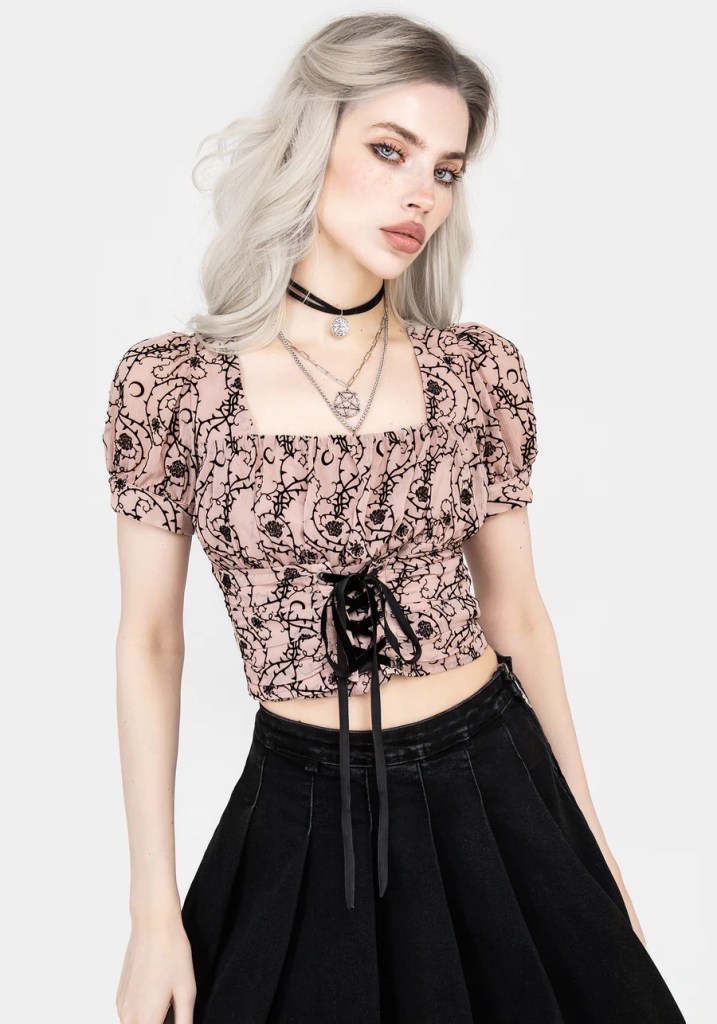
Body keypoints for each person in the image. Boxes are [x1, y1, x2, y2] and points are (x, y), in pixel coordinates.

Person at [103, 13, 687, 1024]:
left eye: (446, 170)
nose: (423, 193)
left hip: (499, 789)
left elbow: (519, 616)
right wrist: (151, 909)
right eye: (389, 150)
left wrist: (592, 849)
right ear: (310, 141)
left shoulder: (474, 371)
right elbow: (150, 640)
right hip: (300, 810)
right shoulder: (173, 386)